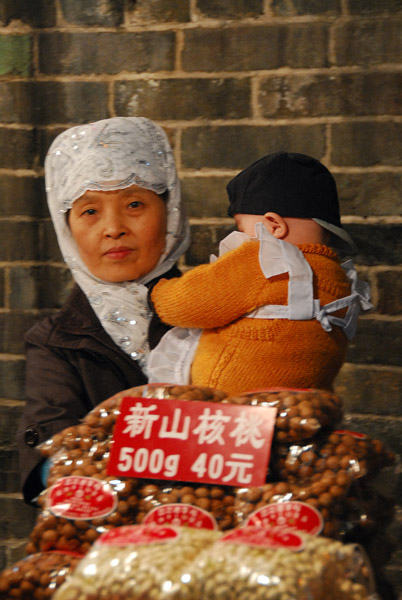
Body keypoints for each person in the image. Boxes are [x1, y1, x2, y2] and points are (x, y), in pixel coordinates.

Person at [17, 117, 190, 504]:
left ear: (170, 211)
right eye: (89, 211)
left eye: (134, 204)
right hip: (102, 545)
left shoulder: (218, 317)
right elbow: (48, 456)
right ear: (68, 229)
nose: (113, 228)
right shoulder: (56, 343)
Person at [148, 151, 372, 396]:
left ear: (273, 226)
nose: (240, 239)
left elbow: (189, 303)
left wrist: (158, 291)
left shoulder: (265, 262)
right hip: (299, 407)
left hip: (234, 409)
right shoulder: (338, 277)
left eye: (241, 229)